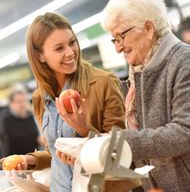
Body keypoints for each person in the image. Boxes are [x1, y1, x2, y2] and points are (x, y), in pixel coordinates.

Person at [5, 12, 126, 192]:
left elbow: (121, 152)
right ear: (40, 56)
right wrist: (33, 160)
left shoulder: (103, 83)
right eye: (59, 48)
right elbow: (56, 152)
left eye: (72, 42)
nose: (70, 52)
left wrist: (84, 129)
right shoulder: (40, 97)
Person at [100, 0, 190, 191]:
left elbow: (185, 131)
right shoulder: (139, 74)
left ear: (148, 28)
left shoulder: (184, 62)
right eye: (114, 39)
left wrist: (123, 141)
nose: (118, 48)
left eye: (121, 36)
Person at [0, 88, 41, 158]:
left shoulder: (29, 115)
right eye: (19, 101)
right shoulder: (5, 119)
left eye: (24, 100)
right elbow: (16, 139)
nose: (23, 104)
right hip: (13, 161)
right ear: (11, 103)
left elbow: (35, 135)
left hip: (32, 159)